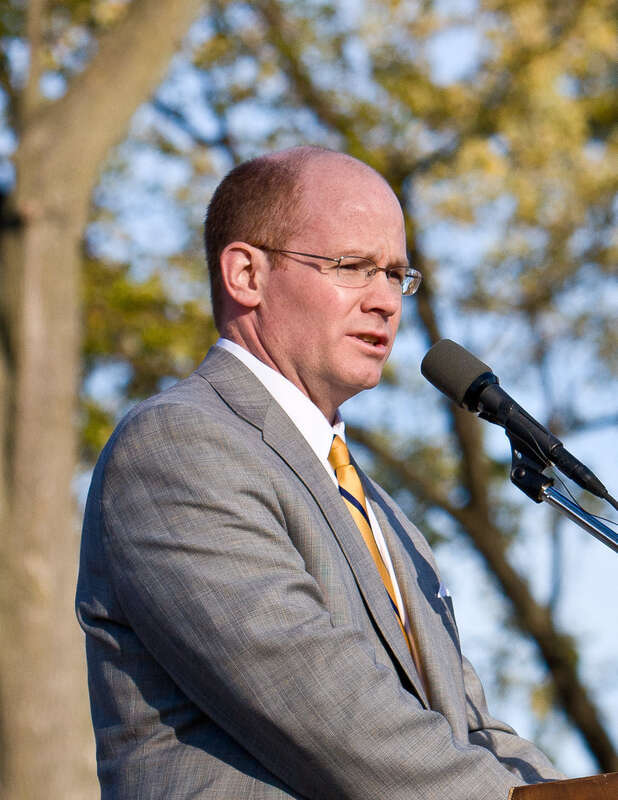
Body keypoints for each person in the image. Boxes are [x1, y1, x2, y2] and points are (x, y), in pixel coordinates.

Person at [76, 146, 564, 798]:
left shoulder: (384, 514)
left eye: (396, 274)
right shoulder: (178, 448)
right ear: (246, 274)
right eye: (354, 267)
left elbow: (468, 730)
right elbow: (333, 714)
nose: (386, 301)